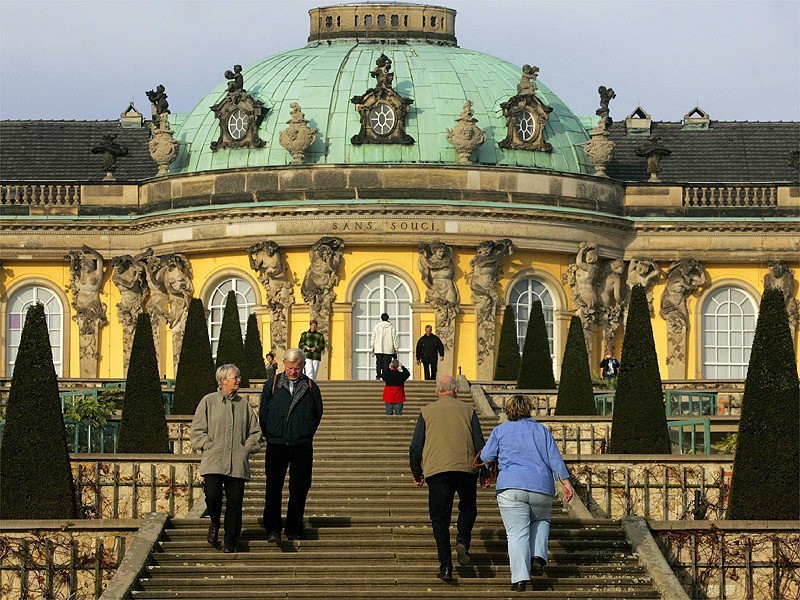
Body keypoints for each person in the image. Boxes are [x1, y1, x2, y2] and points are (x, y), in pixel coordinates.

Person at [478, 395, 573, 592]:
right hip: (541, 486)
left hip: (511, 486)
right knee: (542, 520)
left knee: (516, 533)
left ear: (509, 410)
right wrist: (565, 482)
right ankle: (538, 556)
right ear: (529, 409)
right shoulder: (541, 430)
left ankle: (520, 580)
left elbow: (486, 456)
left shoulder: (500, 430)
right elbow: (554, 458)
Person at [409, 376, 488, 582]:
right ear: (456, 391)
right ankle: (462, 540)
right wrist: (485, 472)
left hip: (437, 470)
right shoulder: (468, 410)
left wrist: (416, 471)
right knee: (468, 508)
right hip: (466, 468)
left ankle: (445, 566)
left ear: (437, 392)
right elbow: (480, 443)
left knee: (440, 520)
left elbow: (416, 446)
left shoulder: (426, 411)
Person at [191, 364, 261, 553]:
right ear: (223, 381)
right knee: (212, 495)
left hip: (237, 462)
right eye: (235, 377)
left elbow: (255, 432)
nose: (239, 380)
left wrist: (246, 449)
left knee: (235, 503)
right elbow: (197, 430)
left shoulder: (243, 404)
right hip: (214, 460)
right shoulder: (208, 401)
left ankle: (231, 541)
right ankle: (214, 522)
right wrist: (208, 444)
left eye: (238, 377)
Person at [260, 348, 324, 542]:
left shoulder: (311, 387)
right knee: (273, 487)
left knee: (299, 487)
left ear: (303, 366)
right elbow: (263, 414)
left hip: (301, 444)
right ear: (283, 365)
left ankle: (294, 528)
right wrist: (271, 433)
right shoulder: (271, 385)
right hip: (276, 443)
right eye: (289, 368)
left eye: (296, 368)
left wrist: (305, 432)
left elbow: (317, 414)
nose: (292, 372)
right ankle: (272, 528)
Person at [371, 312, 398, 379]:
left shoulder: (377, 326)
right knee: (386, 363)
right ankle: (385, 376)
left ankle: (378, 375)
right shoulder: (391, 327)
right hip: (388, 349)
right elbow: (394, 338)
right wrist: (396, 348)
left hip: (378, 348)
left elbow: (373, 338)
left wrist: (372, 348)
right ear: (388, 318)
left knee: (379, 363)